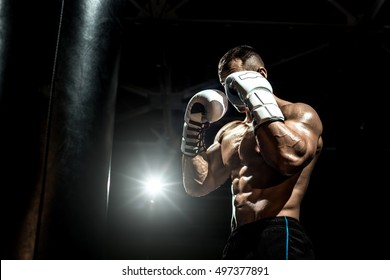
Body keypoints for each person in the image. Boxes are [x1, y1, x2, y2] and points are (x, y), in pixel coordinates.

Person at [180, 45, 323, 260]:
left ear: (260, 75)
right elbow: (197, 185)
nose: (231, 91)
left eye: (234, 81)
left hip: (280, 230)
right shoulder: (229, 132)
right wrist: (192, 129)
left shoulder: (299, 114)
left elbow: (288, 160)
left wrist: (256, 96)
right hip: (237, 239)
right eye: (225, 84)